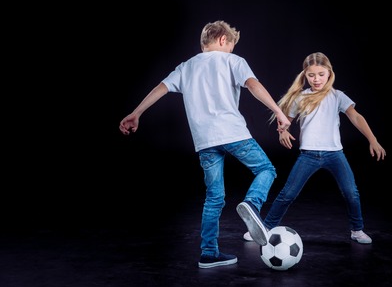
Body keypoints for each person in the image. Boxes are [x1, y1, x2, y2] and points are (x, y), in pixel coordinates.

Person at [118, 20, 291, 268]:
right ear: (223, 40)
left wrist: (136, 113)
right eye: (231, 45)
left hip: (204, 142)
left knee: (214, 197)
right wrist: (279, 113)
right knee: (266, 170)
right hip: (233, 134)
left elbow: (161, 88)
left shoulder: (186, 66)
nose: (231, 50)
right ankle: (252, 204)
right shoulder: (234, 61)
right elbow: (253, 85)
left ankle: (209, 253)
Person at [242, 52, 386, 244]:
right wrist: (282, 132)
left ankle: (357, 230)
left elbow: (355, 116)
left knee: (351, 192)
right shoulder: (301, 97)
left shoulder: (337, 96)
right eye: (311, 75)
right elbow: (285, 119)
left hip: (335, 154)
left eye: (320, 74)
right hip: (308, 155)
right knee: (288, 194)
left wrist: (372, 139)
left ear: (329, 73)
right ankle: (264, 228)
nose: (316, 79)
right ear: (305, 75)